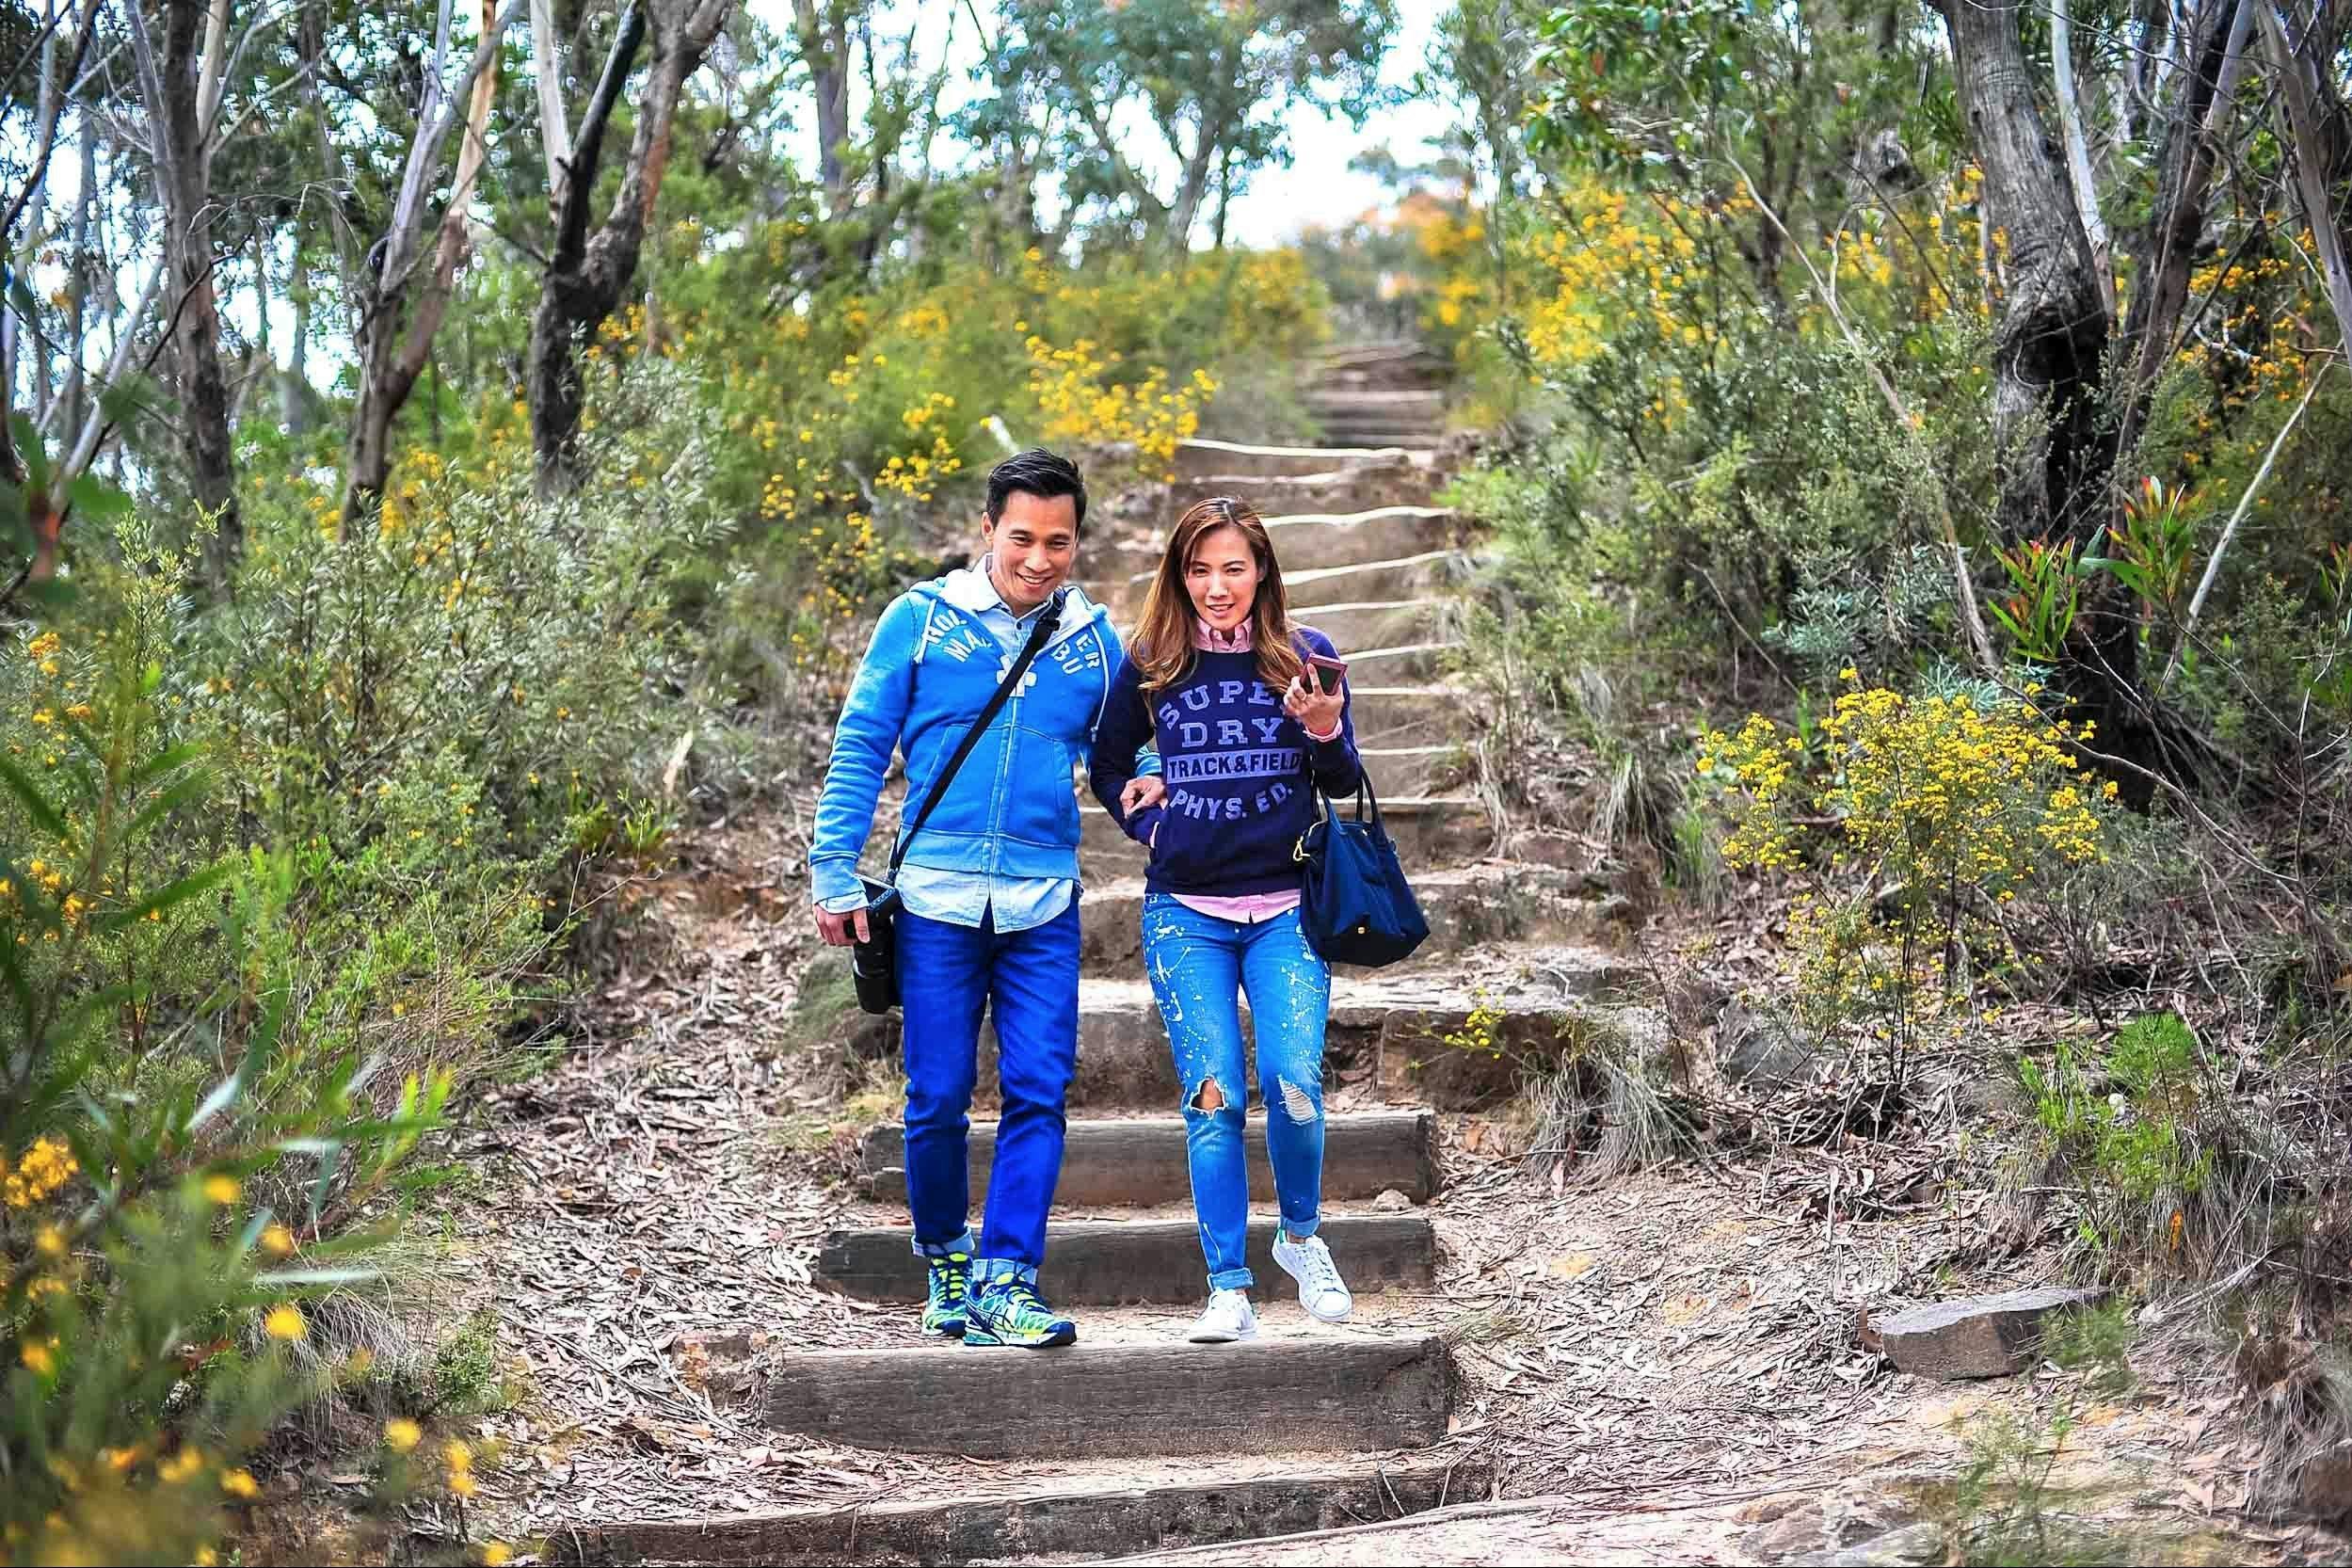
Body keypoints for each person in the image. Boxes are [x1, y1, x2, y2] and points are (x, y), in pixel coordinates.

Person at [809, 448, 1145, 1349]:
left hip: (1042, 902)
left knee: (1040, 1090)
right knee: (938, 1095)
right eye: (1024, 537)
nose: (1040, 559)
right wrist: (834, 871)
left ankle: (1009, 1279)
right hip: (934, 901)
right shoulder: (918, 621)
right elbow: (860, 746)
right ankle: (945, 1259)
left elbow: (1123, 759)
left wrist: (1151, 788)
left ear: (1078, 543)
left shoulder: (1095, 644)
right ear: (987, 529)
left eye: (1060, 542)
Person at [1088, 495, 1361, 1344]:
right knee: (1211, 1099)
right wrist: (1146, 816)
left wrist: (1323, 731)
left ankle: (1300, 1238)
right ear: (1178, 576)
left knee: (1296, 1086)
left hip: (1287, 908)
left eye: (1232, 568)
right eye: (1198, 570)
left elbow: (1342, 779)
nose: (1216, 587)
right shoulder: (1150, 664)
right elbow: (1107, 767)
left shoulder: (1305, 657)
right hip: (1186, 913)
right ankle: (1227, 1287)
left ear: (1262, 572)